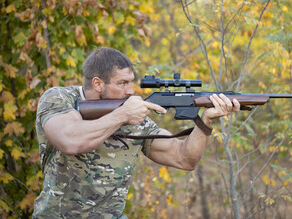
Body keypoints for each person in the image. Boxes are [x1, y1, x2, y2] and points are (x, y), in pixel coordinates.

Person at [33, 47, 240, 218]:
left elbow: (184, 158)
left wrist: (205, 122)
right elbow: (69, 140)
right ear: (97, 83)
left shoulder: (132, 115)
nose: (131, 91)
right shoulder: (59, 98)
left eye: (131, 82)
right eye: (122, 83)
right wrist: (122, 115)